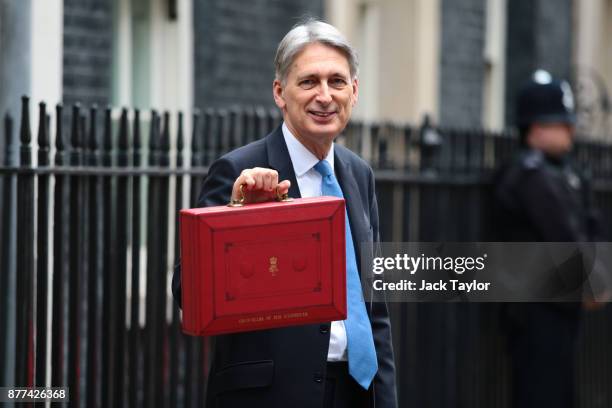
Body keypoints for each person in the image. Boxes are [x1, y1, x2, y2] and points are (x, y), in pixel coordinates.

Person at [173, 20, 397, 408]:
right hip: (272, 396)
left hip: (356, 393)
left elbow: (373, 306)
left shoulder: (359, 174)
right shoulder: (238, 169)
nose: (324, 96)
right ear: (280, 92)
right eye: (309, 82)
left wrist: (387, 398)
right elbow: (187, 293)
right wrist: (240, 217)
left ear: (354, 92)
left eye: (337, 82)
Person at [494, 70, 604, 408]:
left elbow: (587, 223)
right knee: (541, 392)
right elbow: (563, 233)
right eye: (561, 123)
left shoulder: (560, 170)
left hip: (557, 305)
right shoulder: (531, 174)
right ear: (537, 128)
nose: (571, 129)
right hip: (536, 309)